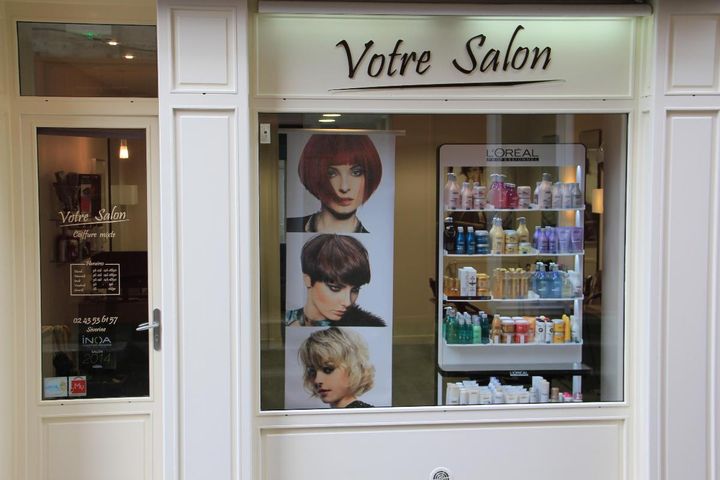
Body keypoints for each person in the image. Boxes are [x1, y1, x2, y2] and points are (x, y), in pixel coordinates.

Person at [287, 134, 382, 233]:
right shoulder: (288, 228)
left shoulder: (377, 240)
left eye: (356, 173)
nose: (344, 187)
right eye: (331, 174)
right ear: (315, 175)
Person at [285, 234, 385, 327]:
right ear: (308, 280)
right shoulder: (284, 321)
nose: (347, 302)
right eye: (335, 288)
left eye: (355, 289)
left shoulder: (366, 325)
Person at [298, 327, 375, 408]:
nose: (317, 380)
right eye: (312, 371)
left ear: (353, 368)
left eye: (328, 370)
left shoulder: (364, 416)